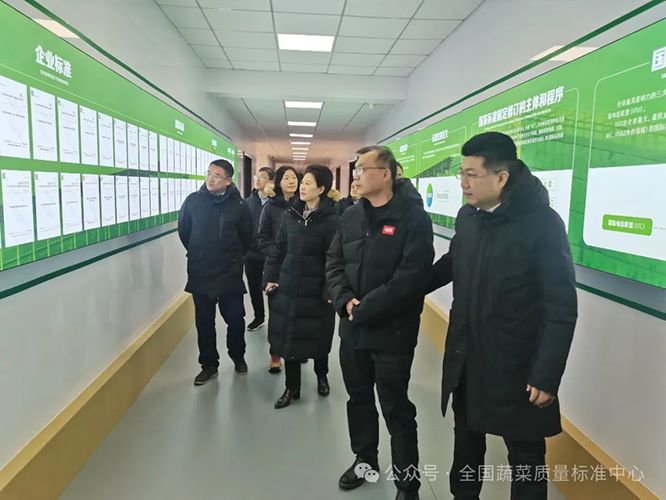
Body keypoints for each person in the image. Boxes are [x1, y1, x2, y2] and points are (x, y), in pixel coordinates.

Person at [428, 132, 578, 500]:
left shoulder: (542, 224)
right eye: (461, 173)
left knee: (526, 458)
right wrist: (397, 291)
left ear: (501, 177)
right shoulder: (468, 217)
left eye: (471, 174)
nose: (463, 183)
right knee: (466, 444)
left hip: (518, 364)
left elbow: (561, 305)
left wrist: (546, 375)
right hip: (468, 355)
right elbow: (452, 262)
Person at [326, 146, 434, 500]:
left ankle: (407, 485)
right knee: (358, 399)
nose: (356, 175)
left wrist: (364, 309)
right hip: (352, 330)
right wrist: (344, 299)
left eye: (362, 169)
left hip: (393, 333)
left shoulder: (413, 219)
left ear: (386, 174)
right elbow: (333, 263)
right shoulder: (350, 216)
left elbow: (411, 278)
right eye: (356, 169)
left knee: (396, 408)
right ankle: (365, 461)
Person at [264, 165, 340, 409]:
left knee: (318, 337)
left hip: (317, 291)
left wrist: (330, 290)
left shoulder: (332, 220)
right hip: (289, 287)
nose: (302, 186)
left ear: (321, 188)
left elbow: (335, 258)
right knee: (290, 338)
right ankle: (291, 387)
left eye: (308, 183)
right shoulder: (291, 214)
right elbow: (278, 248)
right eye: (302, 182)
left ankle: (321, 376)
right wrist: (270, 277)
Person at [178, 159, 253, 385]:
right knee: (204, 322)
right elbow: (184, 232)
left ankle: (238, 356)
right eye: (209, 173)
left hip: (229, 272)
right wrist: (199, 252)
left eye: (217, 175)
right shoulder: (193, 201)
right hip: (200, 270)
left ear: (228, 180)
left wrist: (232, 257)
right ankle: (209, 364)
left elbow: (247, 237)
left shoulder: (239, 205)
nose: (211, 179)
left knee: (236, 319)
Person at [257, 166, 300, 374]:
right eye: (286, 177)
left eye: (294, 177)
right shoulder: (271, 207)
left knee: (298, 313)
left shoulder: (305, 205)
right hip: (276, 268)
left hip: (300, 267)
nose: (291, 181)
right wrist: (276, 252)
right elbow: (262, 237)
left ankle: (296, 352)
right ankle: (275, 355)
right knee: (277, 314)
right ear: (279, 183)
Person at [244, 167, 275, 332]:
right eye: (257, 176)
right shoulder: (248, 202)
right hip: (252, 254)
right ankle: (259, 316)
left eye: (262, 177)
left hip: (272, 254)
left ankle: (276, 319)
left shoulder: (277, 203)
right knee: (254, 287)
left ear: (271, 181)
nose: (257, 179)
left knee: (273, 287)